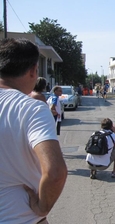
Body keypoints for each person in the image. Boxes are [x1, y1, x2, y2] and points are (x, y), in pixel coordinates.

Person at [0, 38, 67, 223]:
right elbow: (55, 172)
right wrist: (42, 207)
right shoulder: (31, 108)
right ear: (32, 71)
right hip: (20, 216)